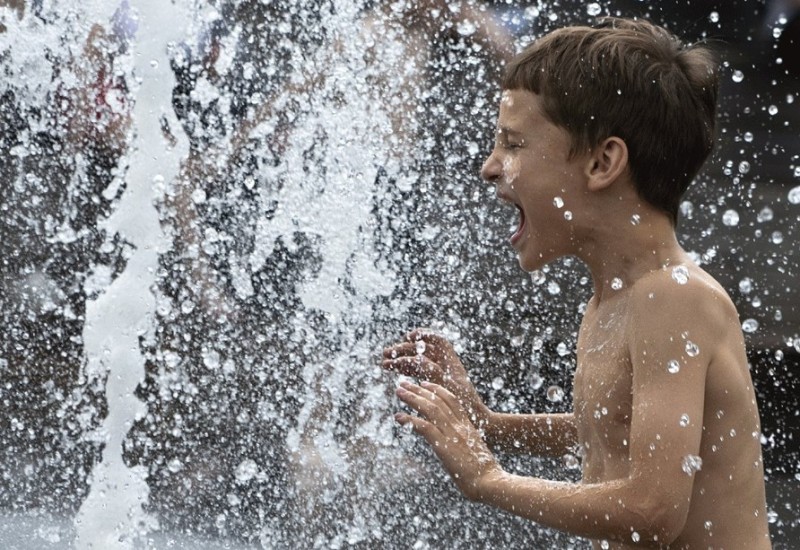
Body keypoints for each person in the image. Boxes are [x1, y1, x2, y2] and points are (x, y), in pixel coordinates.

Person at [383, 17, 772, 549]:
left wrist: (489, 479)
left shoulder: (675, 296)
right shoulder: (616, 298)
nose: (490, 167)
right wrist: (488, 423)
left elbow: (653, 509)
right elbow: (607, 429)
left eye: (513, 145)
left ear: (603, 162)